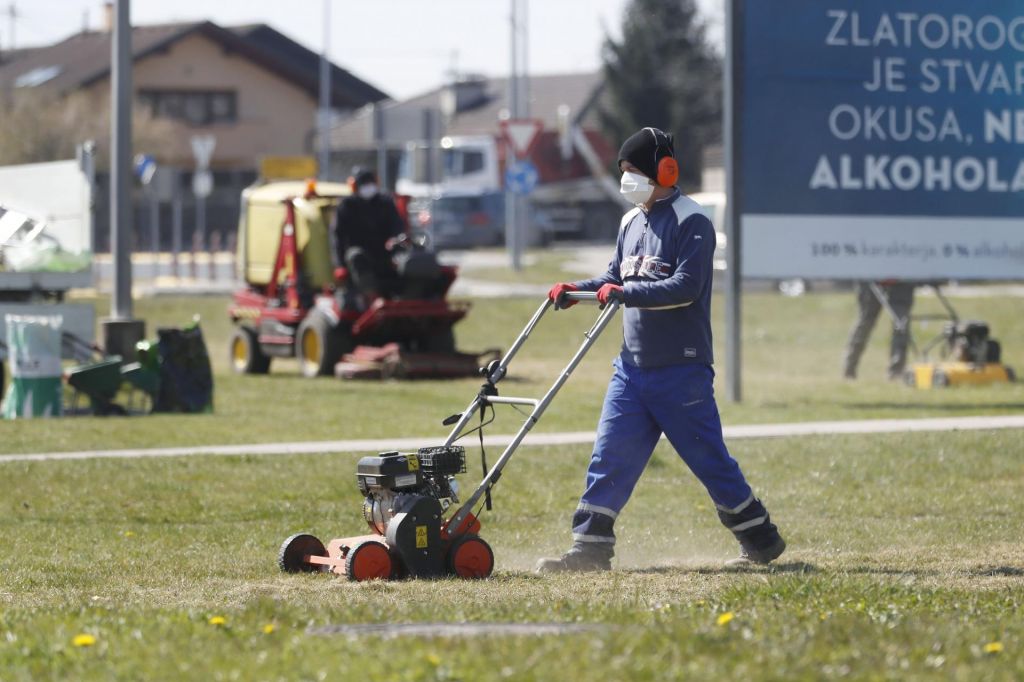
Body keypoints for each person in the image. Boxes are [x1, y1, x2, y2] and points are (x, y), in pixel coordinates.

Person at [537, 127, 786, 573]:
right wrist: (576, 288)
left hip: (681, 370)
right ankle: (589, 550)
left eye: (633, 171)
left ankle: (761, 541)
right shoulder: (630, 222)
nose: (626, 180)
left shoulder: (693, 222)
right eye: (623, 172)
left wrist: (623, 292)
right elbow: (614, 277)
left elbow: (685, 288)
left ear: (664, 170)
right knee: (609, 456)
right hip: (631, 369)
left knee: (709, 461)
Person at [332, 168, 406, 302]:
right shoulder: (346, 206)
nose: (368, 187)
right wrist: (339, 265)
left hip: (385, 254)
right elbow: (338, 237)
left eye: (370, 183)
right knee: (355, 255)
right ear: (354, 186)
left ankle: (406, 295)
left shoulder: (386, 203)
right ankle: (372, 297)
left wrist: (395, 240)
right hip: (361, 258)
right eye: (363, 184)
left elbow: (398, 226)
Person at [842, 280, 915, 380]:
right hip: (871, 277)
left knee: (901, 322)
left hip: (901, 279)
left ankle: (897, 372)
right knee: (866, 321)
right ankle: (849, 369)